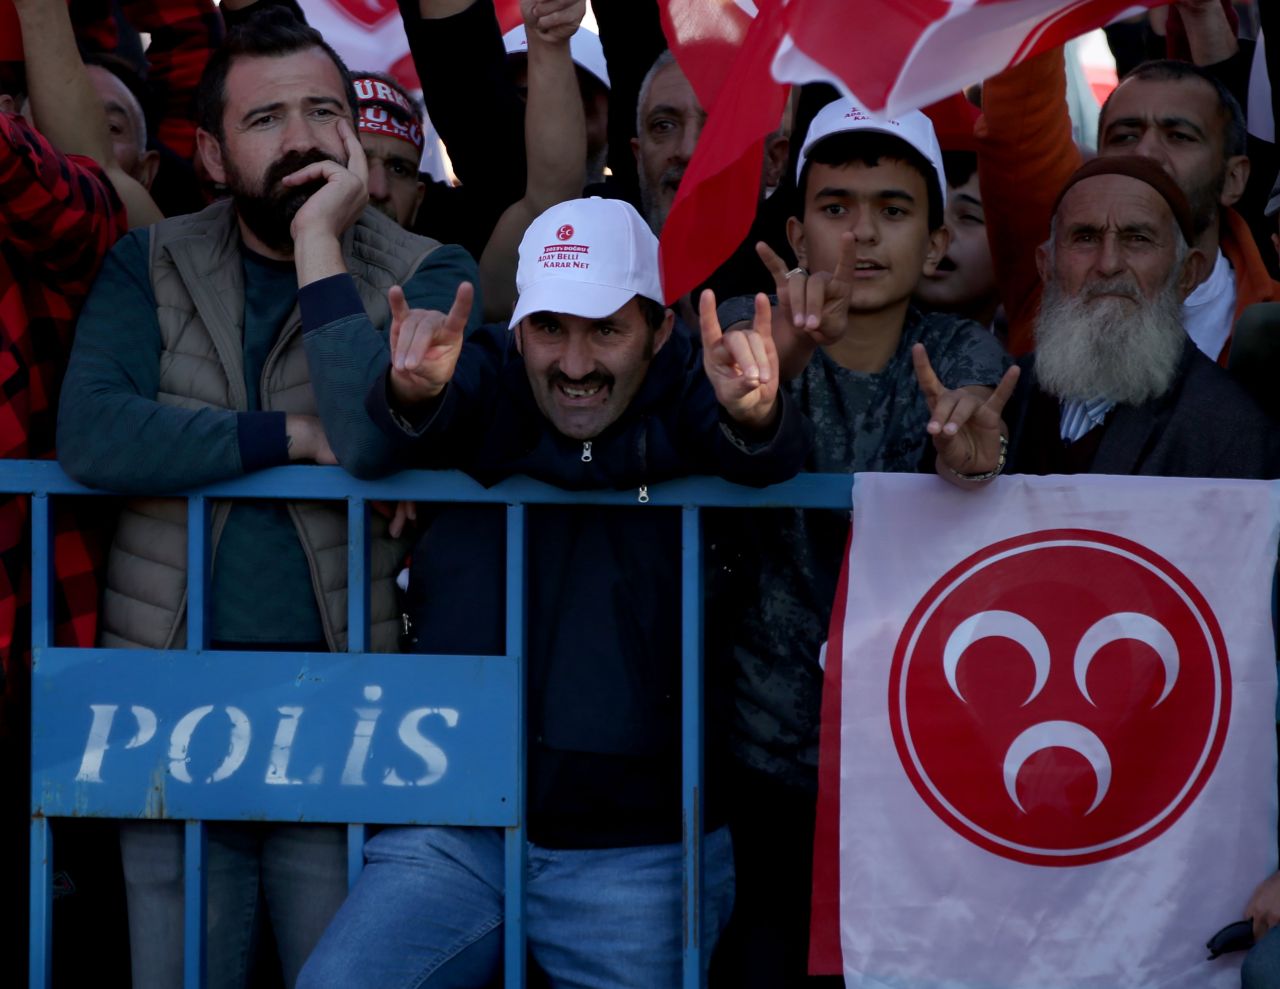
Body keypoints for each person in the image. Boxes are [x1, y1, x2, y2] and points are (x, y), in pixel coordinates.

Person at [55, 9, 479, 986]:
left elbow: (370, 438)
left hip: (343, 706)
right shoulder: (145, 262)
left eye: (322, 110)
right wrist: (289, 438)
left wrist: (323, 247)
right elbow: (95, 432)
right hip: (162, 704)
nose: (299, 137)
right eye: (266, 118)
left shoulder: (429, 273)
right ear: (207, 152)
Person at [298, 195, 812, 988]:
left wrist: (756, 413)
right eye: (550, 329)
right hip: (455, 823)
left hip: (640, 850)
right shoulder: (488, 368)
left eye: (605, 329)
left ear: (660, 331)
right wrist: (410, 396)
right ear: (518, 329)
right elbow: (440, 402)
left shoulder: (691, 380)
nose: (574, 363)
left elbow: (747, 442)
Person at [707, 101, 1010, 988]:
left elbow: (975, 422)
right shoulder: (742, 328)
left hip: (921, 771)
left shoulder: (962, 347)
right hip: (757, 768)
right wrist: (775, 381)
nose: (863, 234)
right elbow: (719, 423)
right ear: (795, 229)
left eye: (893, 208)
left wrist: (974, 454)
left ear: (938, 236)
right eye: (837, 208)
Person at [923, 154, 1275, 483]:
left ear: (1186, 274)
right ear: (1046, 267)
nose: (1108, 264)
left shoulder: (1231, 429)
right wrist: (968, 473)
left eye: (1137, 239)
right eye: (1085, 237)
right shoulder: (998, 398)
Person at [978, 38, 1280, 362]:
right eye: (1124, 136)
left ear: (1233, 178)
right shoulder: (1055, 280)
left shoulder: (1274, 327)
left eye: (1179, 136)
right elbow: (1020, 122)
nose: (1145, 153)